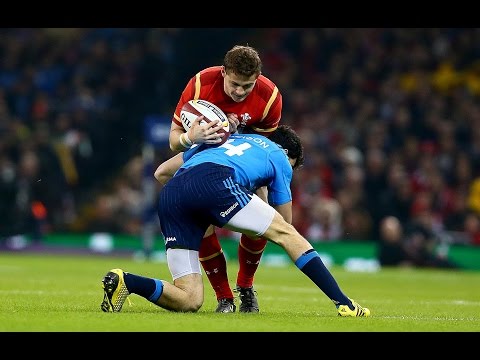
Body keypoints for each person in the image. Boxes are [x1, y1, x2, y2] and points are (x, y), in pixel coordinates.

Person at [100, 125, 370, 317]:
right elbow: (284, 225)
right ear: (289, 154)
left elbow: (161, 173)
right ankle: (343, 303)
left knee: (189, 299)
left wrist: (207, 208)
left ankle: (127, 281)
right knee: (289, 235)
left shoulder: (225, 138)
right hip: (216, 182)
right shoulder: (279, 156)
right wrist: (255, 192)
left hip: (172, 195)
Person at [167, 44, 283, 313]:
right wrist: (190, 138)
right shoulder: (200, 84)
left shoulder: (269, 97)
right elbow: (173, 140)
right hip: (201, 154)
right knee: (164, 175)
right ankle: (224, 298)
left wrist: (233, 131)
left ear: (258, 79)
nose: (240, 91)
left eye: (247, 86)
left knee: (262, 215)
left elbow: (262, 145)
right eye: (235, 84)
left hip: (241, 157)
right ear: (223, 73)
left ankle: (245, 285)